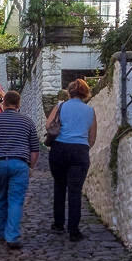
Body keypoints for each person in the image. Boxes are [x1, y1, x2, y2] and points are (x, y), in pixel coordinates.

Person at [0, 90, 39, 249]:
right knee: (16, 200)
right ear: (19, 105)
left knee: (0, 198)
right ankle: (11, 236)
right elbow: (35, 150)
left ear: (3, 103)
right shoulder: (28, 122)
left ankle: (0, 231)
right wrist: (31, 167)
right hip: (20, 164)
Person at [46, 78, 97, 242]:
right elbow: (92, 138)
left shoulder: (60, 106)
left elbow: (48, 125)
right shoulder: (90, 111)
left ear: (70, 91)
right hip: (79, 151)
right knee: (75, 191)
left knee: (59, 186)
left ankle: (58, 224)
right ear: (85, 93)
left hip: (59, 149)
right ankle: (74, 231)